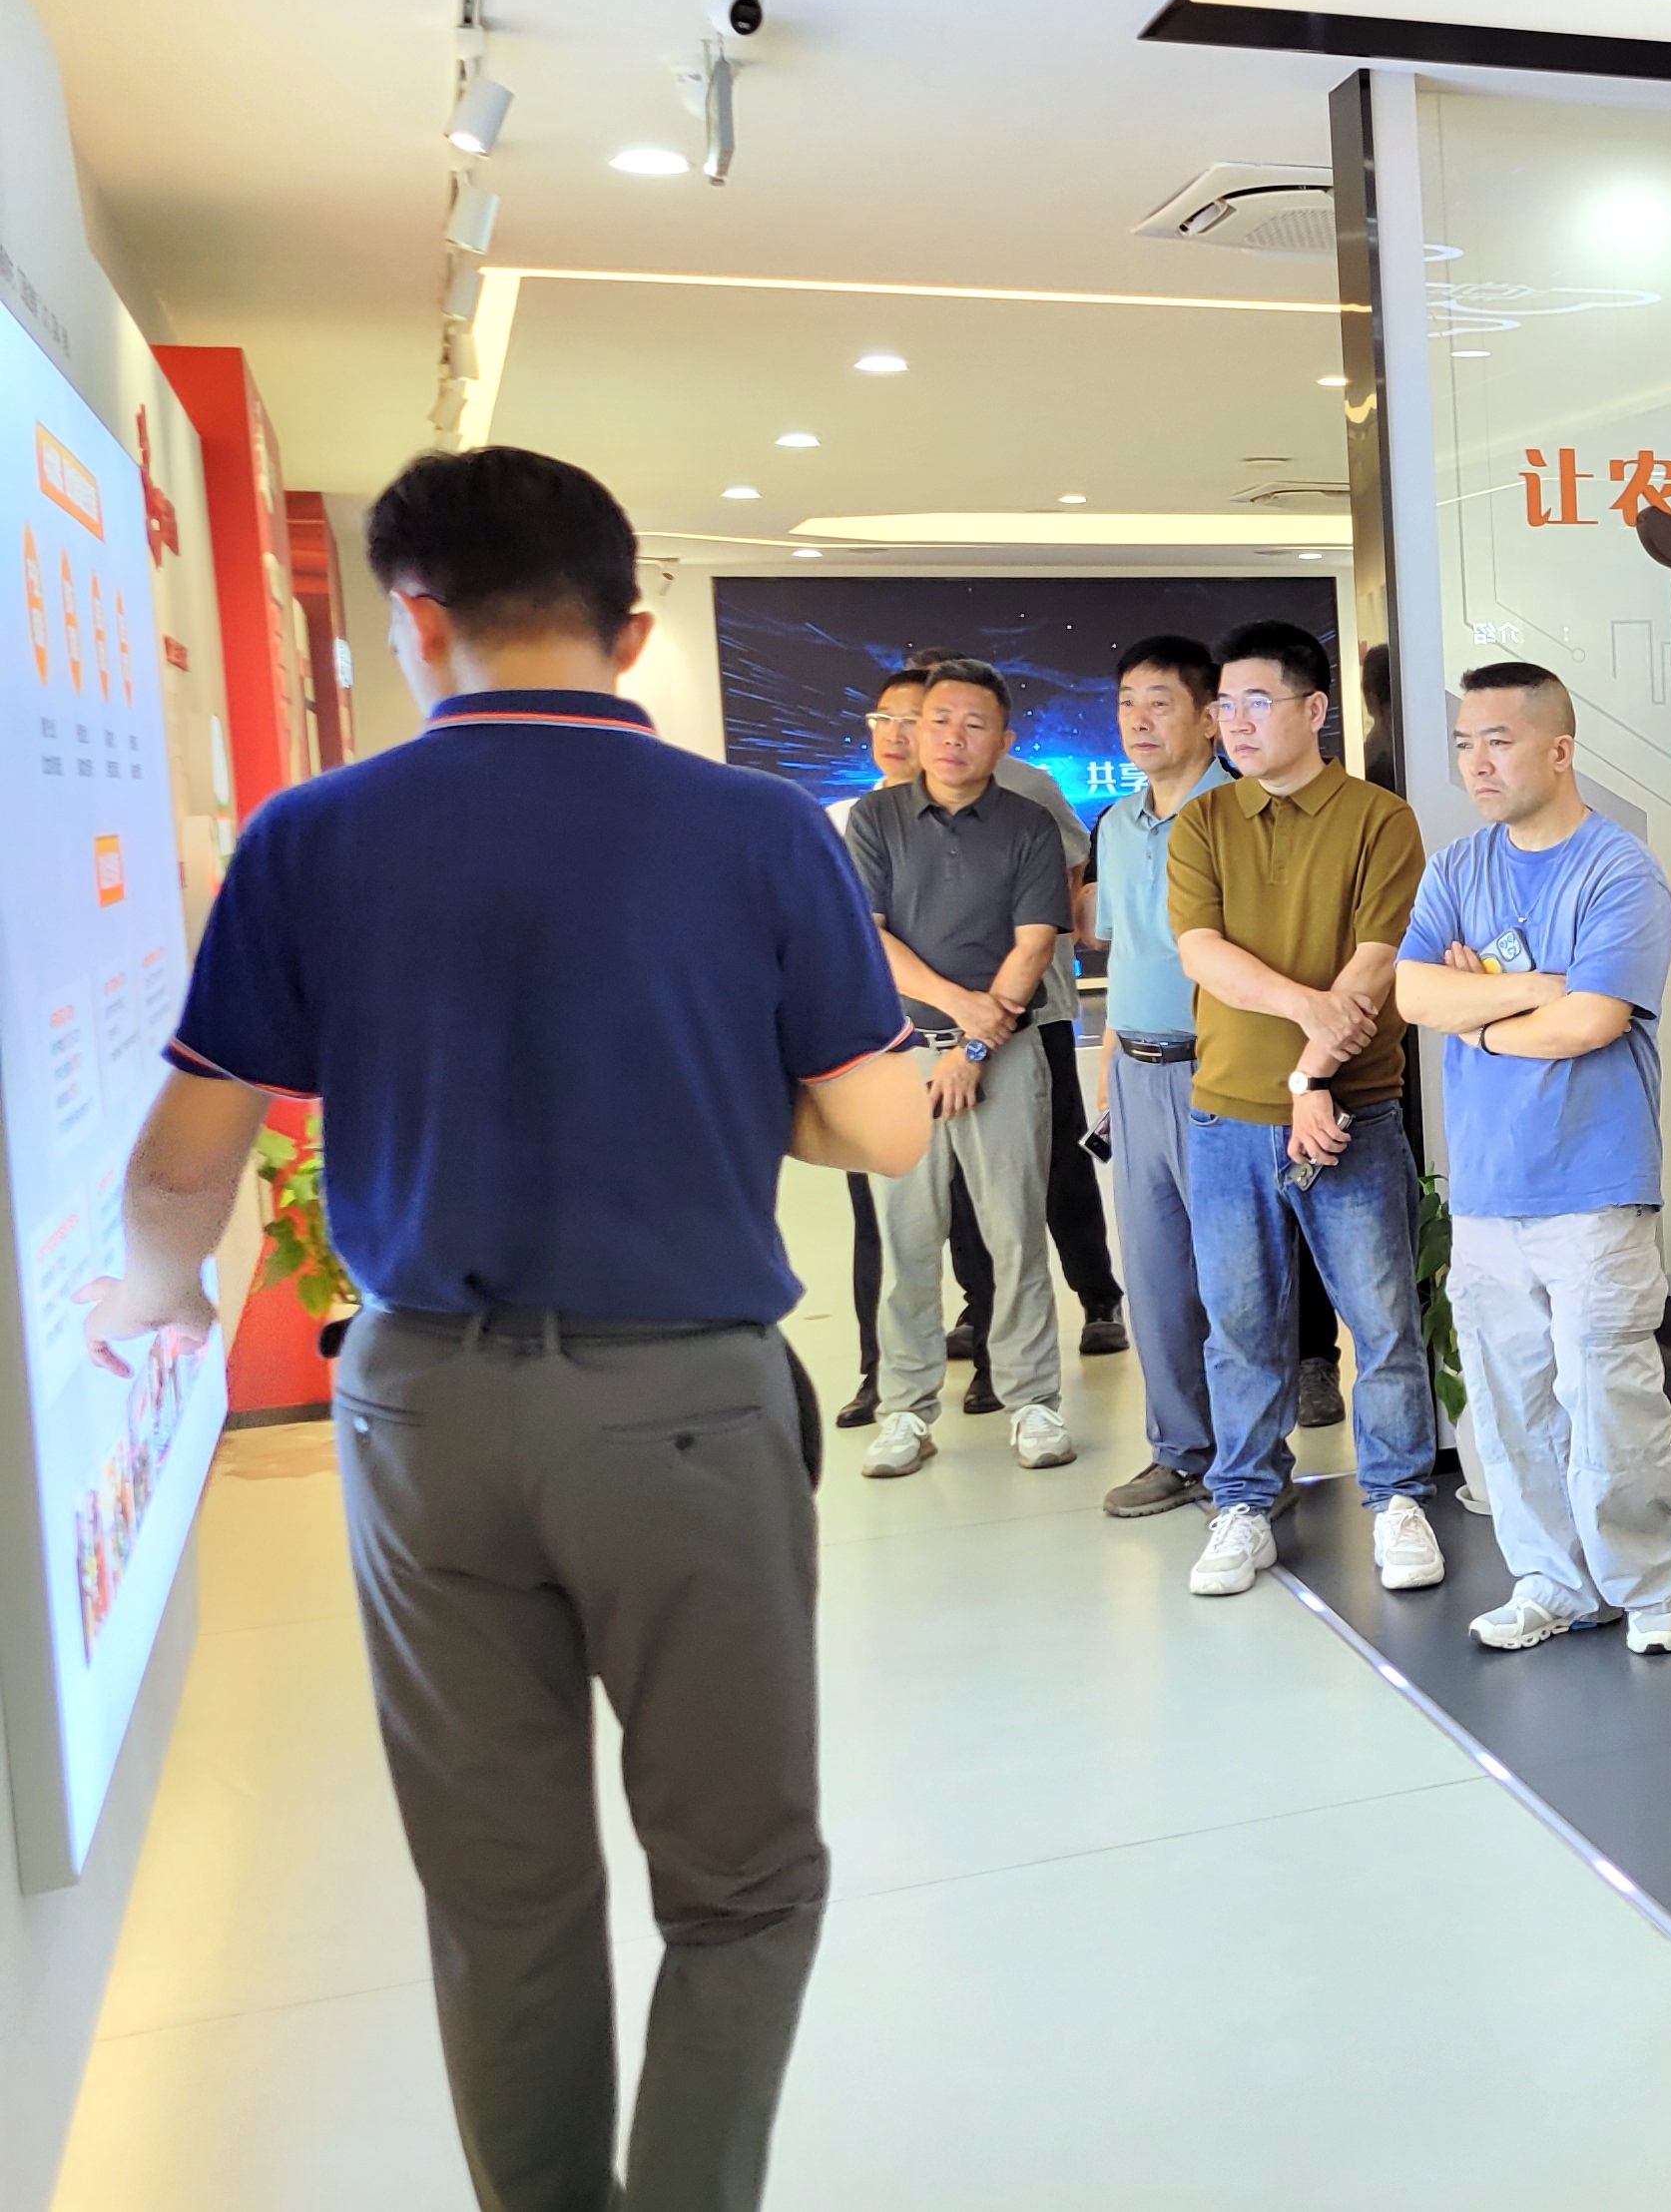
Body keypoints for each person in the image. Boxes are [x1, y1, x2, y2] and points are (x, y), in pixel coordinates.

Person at [83, 445, 929, 2211]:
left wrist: (155, 1292)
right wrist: (716, 1091)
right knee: (742, 1885)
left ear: (415, 621)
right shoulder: (762, 827)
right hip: (683, 1401)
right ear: (632, 629)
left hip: (420, 1411)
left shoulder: (311, 834)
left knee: (500, 1894)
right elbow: (879, 1127)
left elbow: (180, 1164)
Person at [1392, 662, 1671, 1653]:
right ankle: (1553, 1583)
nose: (1477, 764)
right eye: (1464, 746)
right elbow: (1412, 994)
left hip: (1594, 1188)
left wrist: (1475, 1016)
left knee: (1609, 1401)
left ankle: (1650, 1586)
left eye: (1499, 742)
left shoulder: (1620, 870)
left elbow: (1592, 1021)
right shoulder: (1457, 868)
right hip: (1488, 1190)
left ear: (1560, 750)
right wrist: (1531, 992)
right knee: (1511, 1402)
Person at [1168, 619, 1439, 1599]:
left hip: (1352, 1115)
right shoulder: (1203, 822)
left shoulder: (1380, 820)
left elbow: (1375, 967)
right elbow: (1204, 954)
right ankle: (1245, 1502)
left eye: (1257, 702)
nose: (1234, 723)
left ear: (1315, 708)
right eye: (1224, 706)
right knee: (1239, 1325)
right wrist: (1305, 1012)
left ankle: (1400, 1497)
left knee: (1383, 1319)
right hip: (1225, 1118)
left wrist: (1312, 1080)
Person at [845, 662, 1080, 1479]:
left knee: (1016, 1233)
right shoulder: (875, 818)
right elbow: (869, 936)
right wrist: (955, 1018)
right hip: (900, 1056)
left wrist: (974, 1047)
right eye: (938, 720)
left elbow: (1035, 944)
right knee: (906, 1238)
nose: (952, 737)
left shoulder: (1027, 824)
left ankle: (1033, 1401)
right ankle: (906, 1411)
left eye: (974, 724)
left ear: (1003, 740)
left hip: (1005, 1054)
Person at [1085, 635, 1239, 1521]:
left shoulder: (1241, 814)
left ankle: (1248, 1468)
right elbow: (1127, 956)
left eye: (1159, 703)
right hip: (1136, 1073)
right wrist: (1109, 1067)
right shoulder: (1116, 823)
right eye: (1126, 704)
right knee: (1152, 1280)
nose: (1138, 721)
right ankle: (1180, 1453)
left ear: (1210, 718)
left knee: (1235, 1281)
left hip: (1219, 1072)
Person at [827, 674, 965, 1431]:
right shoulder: (838, 820)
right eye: (885, 717)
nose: (897, 733)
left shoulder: (973, 822)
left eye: (915, 720)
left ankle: (988, 1353)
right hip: (874, 1050)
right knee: (878, 1223)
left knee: (972, 1215)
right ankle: (879, 1373)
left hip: (961, 1044)